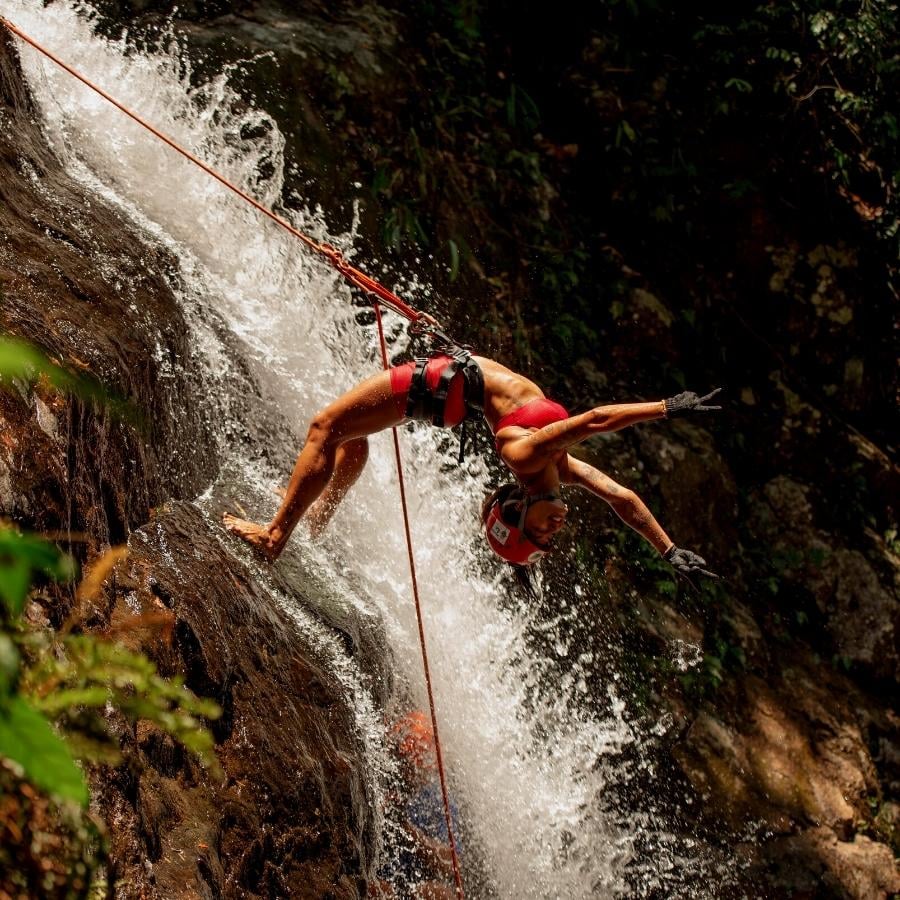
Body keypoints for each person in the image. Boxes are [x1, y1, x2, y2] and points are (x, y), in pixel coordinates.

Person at [223, 346, 720, 585]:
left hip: (437, 386)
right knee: (351, 443)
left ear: (521, 511)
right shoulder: (560, 470)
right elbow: (623, 500)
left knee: (325, 427)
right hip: (451, 387)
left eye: (541, 534)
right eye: (549, 538)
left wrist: (664, 409)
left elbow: (594, 420)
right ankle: (313, 524)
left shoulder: (524, 456)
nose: (556, 531)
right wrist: (668, 549)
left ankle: (275, 538)